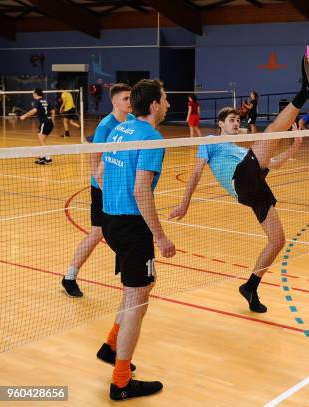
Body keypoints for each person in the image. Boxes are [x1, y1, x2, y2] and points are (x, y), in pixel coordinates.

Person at [170, 53, 309, 314]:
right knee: (272, 131)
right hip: (241, 182)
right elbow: (195, 173)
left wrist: (295, 145)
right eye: (232, 120)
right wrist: (184, 203)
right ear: (220, 124)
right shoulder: (211, 142)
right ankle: (303, 93)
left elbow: (274, 163)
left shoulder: (241, 150)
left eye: (238, 120)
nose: (236, 123)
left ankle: (250, 286)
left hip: (256, 184)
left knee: (277, 240)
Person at [99, 79, 176, 400]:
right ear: (155, 105)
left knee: (141, 287)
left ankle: (111, 345)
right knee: (137, 302)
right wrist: (160, 236)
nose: (169, 103)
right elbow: (141, 190)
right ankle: (120, 382)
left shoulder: (122, 129)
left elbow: (102, 173)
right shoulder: (152, 139)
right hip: (133, 227)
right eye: (166, 97)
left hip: (110, 220)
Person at [61, 84, 134, 297]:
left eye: (131, 98)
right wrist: (104, 187)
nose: (130, 102)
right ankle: (70, 276)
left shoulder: (130, 123)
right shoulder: (106, 126)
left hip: (121, 186)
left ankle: (128, 275)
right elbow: (94, 161)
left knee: (123, 229)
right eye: (126, 98)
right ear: (114, 102)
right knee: (97, 233)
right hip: (103, 188)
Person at [19, 88, 55, 165]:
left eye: (33, 93)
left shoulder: (37, 101)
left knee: (41, 140)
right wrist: (52, 120)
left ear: (35, 94)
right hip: (49, 123)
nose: (32, 95)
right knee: (41, 139)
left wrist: (24, 116)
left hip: (45, 123)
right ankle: (42, 157)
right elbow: (53, 111)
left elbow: (34, 110)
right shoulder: (46, 101)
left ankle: (48, 159)